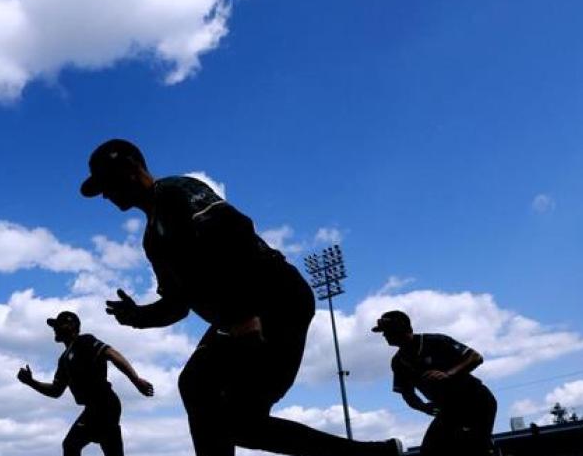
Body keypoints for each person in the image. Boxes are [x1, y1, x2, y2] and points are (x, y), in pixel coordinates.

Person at [81, 138, 402, 456]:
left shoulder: (175, 191)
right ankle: (374, 455)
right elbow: (178, 305)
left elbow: (233, 230)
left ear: (130, 168)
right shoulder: (153, 239)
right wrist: (139, 316)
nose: (105, 195)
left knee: (223, 408)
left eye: (106, 183)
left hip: (275, 298)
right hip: (239, 314)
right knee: (207, 395)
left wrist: (243, 315)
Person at [17, 311, 154, 456]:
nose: (55, 328)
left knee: (70, 445)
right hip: (95, 408)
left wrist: (136, 380)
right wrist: (31, 382)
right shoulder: (63, 360)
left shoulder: (84, 341)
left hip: (105, 404)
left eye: (58, 324)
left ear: (71, 326)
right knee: (81, 446)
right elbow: (56, 391)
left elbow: (112, 354)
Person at [373, 310, 497, 456]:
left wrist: (448, 374)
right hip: (449, 409)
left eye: (386, 331)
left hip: (477, 401)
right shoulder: (398, 362)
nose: (384, 335)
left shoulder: (435, 341)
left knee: (474, 447)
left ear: (399, 328)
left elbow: (475, 357)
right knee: (430, 451)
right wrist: (424, 407)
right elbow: (408, 394)